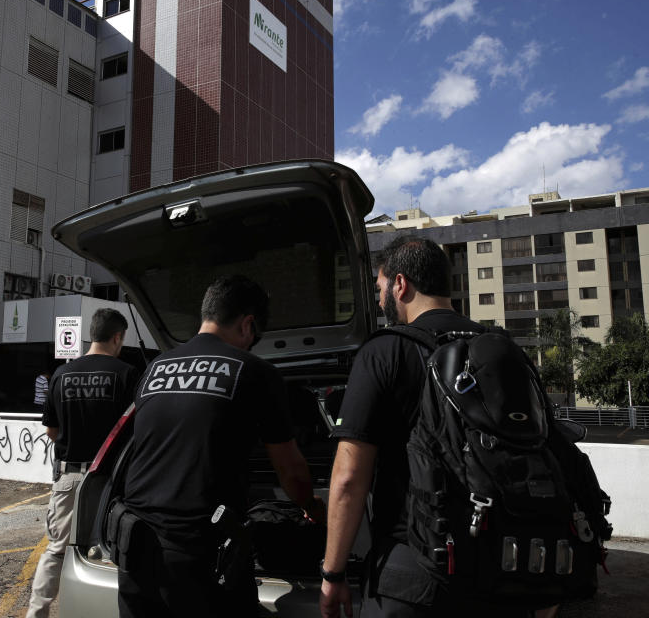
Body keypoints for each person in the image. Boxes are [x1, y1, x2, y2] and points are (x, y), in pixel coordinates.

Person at [319, 236, 531, 618]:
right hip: (504, 565)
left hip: (413, 568)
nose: (381, 295)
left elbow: (350, 478)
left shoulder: (384, 350)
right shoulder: (501, 348)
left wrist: (332, 573)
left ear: (400, 284)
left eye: (380, 286)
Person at [117, 275, 325, 618]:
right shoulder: (256, 371)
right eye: (254, 338)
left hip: (133, 547)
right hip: (201, 557)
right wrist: (312, 506)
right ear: (248, 324)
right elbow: (290, 469)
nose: (250, 345)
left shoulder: (155, 367)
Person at [26, 308, 140, 618]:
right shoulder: (126, 374)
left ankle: (36, 614)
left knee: (56, 550)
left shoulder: (61, 375)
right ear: (117, 337)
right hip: (110, 482)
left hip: (69, 477)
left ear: (92, 334)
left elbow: (51, 430)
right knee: (113, 551)